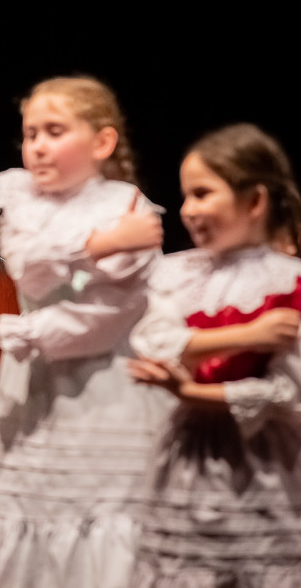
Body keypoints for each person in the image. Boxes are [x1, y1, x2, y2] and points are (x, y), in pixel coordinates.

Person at [0, 75, 168, 587]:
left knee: (100, 540)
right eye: (30, 133)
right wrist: (99, 245)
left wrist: (4, 331)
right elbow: (33, 266)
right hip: (35, 395)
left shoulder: (128, 204)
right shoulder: (21, 200)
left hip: (103, 394)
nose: (37, 145)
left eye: (54, 131)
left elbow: (101, 320)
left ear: (102, 142)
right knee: (28, 536)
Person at [127, 123, 301, 586]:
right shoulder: (177, 273)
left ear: (255, 201)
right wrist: (250, 334)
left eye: (203, 194)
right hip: (186, 459)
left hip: (263, 467)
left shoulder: (289, 280)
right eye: (186, 196)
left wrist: (193, 390)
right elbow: (151, 339)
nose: (188, 210)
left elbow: (288, 393)